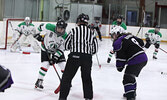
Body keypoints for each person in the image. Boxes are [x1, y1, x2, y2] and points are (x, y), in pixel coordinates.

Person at [59, 13, 98, 100]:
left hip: (74, 56)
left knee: (67, 78)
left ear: (78, 21)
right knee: (86, 78)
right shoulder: (91, 33)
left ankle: (62, 98)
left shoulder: (73, 30)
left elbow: (65, 45)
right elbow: (95, 49)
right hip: (87, 58)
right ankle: (88, 97)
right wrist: (87, 53)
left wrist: (73, 48)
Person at [110, 31, 147, 100]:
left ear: (118, 34)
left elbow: (121, 57)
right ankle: (132, 92)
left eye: (114, 35)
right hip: (144, 58)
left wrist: (119, 66)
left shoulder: (118, 42)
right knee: (130, 76)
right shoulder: (129, 36)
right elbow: (141, 43)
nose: (113, 37)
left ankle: (130, 96)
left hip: (136, 59)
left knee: (127, 78)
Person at [34, 19, 68, 90]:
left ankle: (66, 81)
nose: (59, 30)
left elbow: (61, 49)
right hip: (45, 49)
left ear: (64, 29)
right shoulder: (49, 26)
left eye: (61, 29)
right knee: (45, 65)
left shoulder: (65, 37)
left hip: (57, 51)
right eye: (58, 27)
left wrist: (55, 57)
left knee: (63, 66)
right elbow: (40, 27)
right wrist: (37, 34)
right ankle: (39, 81)